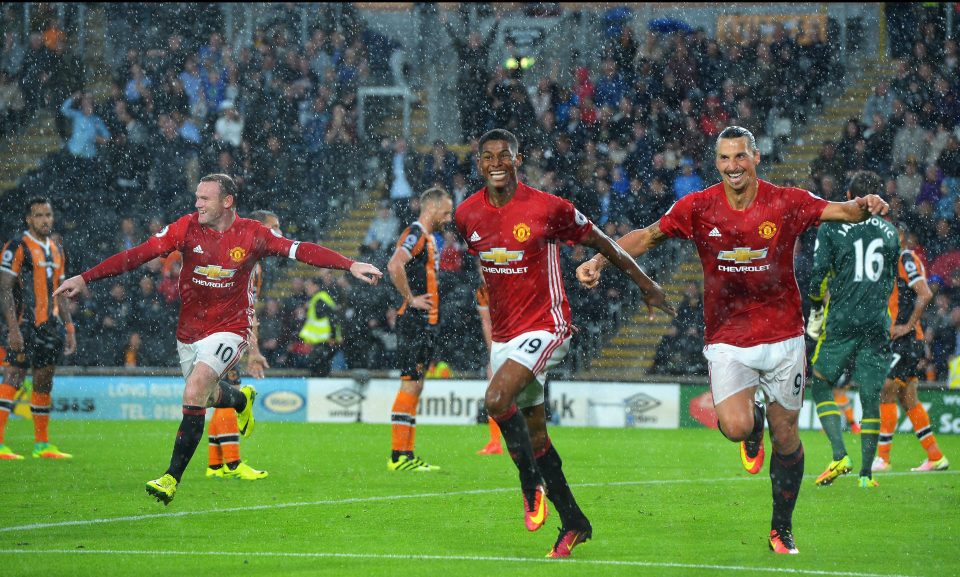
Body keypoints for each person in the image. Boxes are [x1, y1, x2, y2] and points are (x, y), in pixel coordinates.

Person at [576, 127, 890, 554]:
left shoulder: (786, 202)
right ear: (716, 162)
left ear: (756, 157)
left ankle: (781, 528)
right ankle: (752, 425)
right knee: (736, 427)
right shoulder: (699, 207)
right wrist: (599, 258)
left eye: (740, 156)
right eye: (724, 158)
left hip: (783, 337)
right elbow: (647, 236)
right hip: (727, 337)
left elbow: (843, 212)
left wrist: (867, 205)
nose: (732, 166)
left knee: (788, 439)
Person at [54, 174, 382, 504]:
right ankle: (240, 400)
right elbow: (137, 254)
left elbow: (301, 251)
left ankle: (171, 477)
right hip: (190, 332)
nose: (197, 204)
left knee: (195, 387)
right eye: (197, 198)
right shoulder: (185, 228)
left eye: (205, 199)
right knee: (205, 395)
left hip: (230, 327)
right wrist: (86, 278)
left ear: (227, 202)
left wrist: (349, 265)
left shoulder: (254, 234)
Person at [456, 129, 672, 558]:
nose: (496, 162)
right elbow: (488, 263)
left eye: (505, 155)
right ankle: (574, 521)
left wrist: (645, 285)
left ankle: (527, 482)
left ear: (518, 160)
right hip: (505, 336)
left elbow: (601, 241)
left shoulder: (548, 208)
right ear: (479, 163)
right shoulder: (466, 215)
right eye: (488, 156)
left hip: (548, 327)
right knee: (536, 438)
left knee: (497, 399)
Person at [804, 170, 899, 490]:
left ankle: (839, 454)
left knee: (819, 382)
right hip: (876, 320)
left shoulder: (832, 226)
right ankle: (866, 475)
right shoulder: (889, 232)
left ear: (849, 196)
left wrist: (816, 303)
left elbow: (818, 273)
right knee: (871, 395)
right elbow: (889, 280)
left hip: (843, 318)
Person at [205, 209, 280, 481]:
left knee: (218, 393)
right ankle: (234, 464)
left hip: (211, 330)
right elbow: (245, 311)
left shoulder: (239, 254)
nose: (278, 234)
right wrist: (254, 351)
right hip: (222, 333)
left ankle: (216, 466)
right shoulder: (249, 262)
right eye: (274, 228)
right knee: (230, 394)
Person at [0, 197, 76, 460]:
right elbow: (5, 289)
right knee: (14, 378)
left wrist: (69, 327)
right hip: (25, 324)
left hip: (50, 327)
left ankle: (41, 444)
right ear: (28, 219)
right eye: (39, 216)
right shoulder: (17, 246)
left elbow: (62, 291)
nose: (45, 220)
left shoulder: (56, 248)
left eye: (48, 215)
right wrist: (13, 329)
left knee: (44, 382)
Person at [385, 187, 453, 472]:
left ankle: (407, 455)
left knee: (417, 383)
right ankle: (399, 456)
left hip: (427, 323)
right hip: (414, 321)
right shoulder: (414, 232)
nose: (449, 218)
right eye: (446, 212)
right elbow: (394, 265)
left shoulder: (427, 237)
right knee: (410, 382)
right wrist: (410, 299)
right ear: (432, 209)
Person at [872, 222, 949, 473]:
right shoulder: (893, 262)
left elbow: (924, 293)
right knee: (908, 398)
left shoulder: (905, 258)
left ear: (901, 237)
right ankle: (935, 456)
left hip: (905, 340)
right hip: (903, 339)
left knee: (885, 388)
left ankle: (883, 458)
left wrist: (907, 325)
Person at [474, 284, 503, 456]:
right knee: (493, 391)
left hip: (518, 339)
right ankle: (495, 442)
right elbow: (486, 322)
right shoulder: (483, 291)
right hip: (501, 342)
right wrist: (494, 353)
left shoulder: (509, 281)